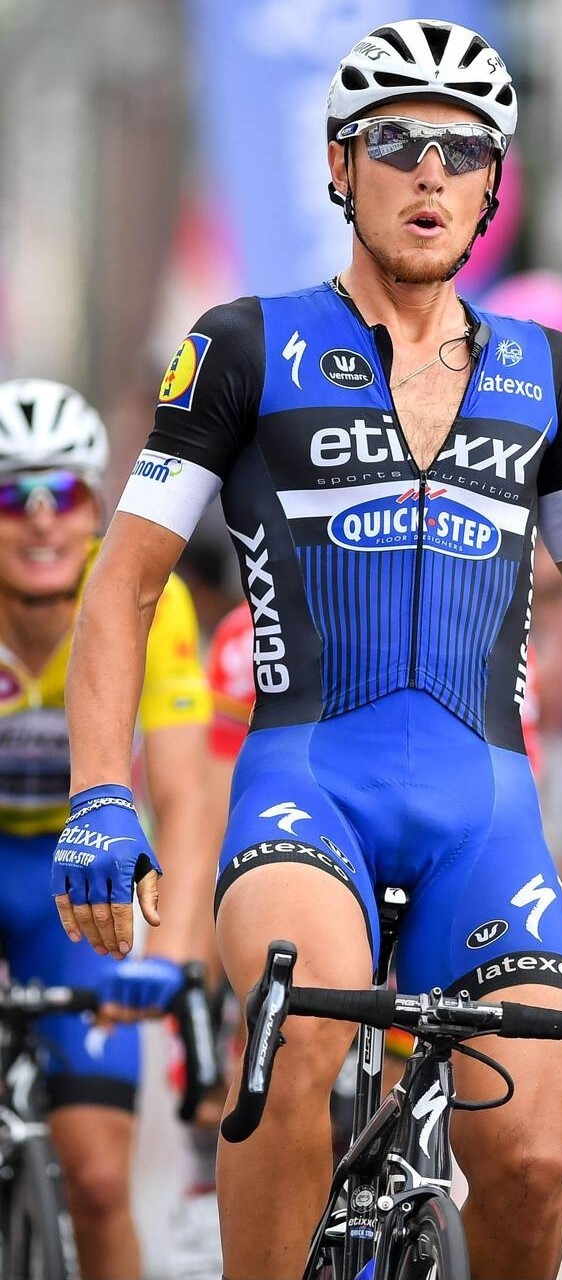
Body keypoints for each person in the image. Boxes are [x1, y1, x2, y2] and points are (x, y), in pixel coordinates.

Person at [51, 20, 562, 1280]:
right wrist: (100, 793)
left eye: (463, 150)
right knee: (297, 1031)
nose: (429, 173)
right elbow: (122, 585)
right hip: (306, 793)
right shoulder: (243, 345)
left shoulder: (543, 373)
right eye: (396, 141)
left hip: (483, 815)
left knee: (530, 1156)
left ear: (494, 182)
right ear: (340, 165)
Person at [0, 377, 212, 1280]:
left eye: (64, 491)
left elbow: (187, 799)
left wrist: (175, 957)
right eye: (13, 496)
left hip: (72, 890)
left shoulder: (145, 600)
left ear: (96, 506)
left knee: (94, 1180)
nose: (41, 520)